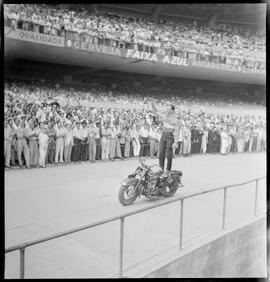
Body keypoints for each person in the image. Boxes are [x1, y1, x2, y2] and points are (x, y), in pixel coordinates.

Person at [151, 102, 179, 172]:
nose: (166, 110)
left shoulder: (176, 120)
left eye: (168, 109)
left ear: (172, 110)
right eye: (166, 109)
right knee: (161, 153)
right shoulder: (165, 116)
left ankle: (168, 170)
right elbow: (156, 112)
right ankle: (161, 169)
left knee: (169, 154)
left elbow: (176, 131)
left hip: (170, 136)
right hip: (163, 135)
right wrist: (153, 106)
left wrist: (175, 142)